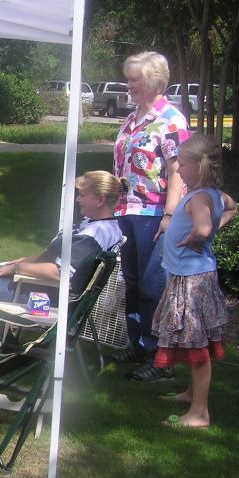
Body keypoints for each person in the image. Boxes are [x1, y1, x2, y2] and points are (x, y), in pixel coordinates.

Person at [0, 171, 124, 335]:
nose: (77, 200)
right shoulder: (93, 224)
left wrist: (17, 268)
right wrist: (23, 261)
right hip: (44, 285)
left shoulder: (96, 234)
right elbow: (53, 256)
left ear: (100, 200)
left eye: (82, 195)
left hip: (51, 297)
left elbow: (62, 272)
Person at [112, 51, 190, 383]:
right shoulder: (132, 119)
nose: (128, 85)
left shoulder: (170, 119)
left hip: (155, 213)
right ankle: (138, 344)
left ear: (153, 82)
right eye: (128, 78)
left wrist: (170, 215)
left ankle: (161, 358)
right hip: (127, 210)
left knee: (152, 286)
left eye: (134, 79)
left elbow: (179, 171)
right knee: (132, 283)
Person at [151, 134, 237, 428]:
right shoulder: (211, 193)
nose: (177, 169)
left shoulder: (200, 196)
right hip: (188, 276)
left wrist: (197, 236)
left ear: (198, 166)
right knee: (192, 340)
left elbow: (201, 227)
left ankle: (200, 413)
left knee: (197, 346)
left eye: (183, 163)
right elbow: (232, 206)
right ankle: (191, 394)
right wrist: (208, 230)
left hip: (193, 281)